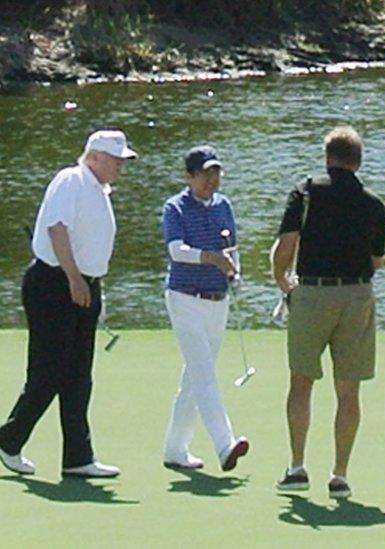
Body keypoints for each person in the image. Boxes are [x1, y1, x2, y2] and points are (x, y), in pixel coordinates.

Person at [0, 129, 137, 478]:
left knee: (78, 376)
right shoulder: (72, 179)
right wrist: (73, 278)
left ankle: (78, 457)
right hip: (54, 284)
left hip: (83, 286)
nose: (120, 167)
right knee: (49, 370)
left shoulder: (99, 190)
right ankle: (8, 439)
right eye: (116, 160)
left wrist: (90, 283)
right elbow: (57, 229)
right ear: (95, 156)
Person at [270, 126, 385, 499]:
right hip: (356, 296)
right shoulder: (373, 203)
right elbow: (377, 259)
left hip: (313, 293)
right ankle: (339, 475)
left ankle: (297, 466)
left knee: (301, 382)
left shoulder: (306, 192)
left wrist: (282, 281)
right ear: (358, 160)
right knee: (348, 390)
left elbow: (286, 245)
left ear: (327, 157)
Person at [161, 145, 249, 472]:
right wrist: (210, 257)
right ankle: (225, 444)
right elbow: (176, 251)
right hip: (184, 298)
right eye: (204, 174)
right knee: (204, 374)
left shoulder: (223, 205)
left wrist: (234, 271)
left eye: (216, 173)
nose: (212, 179)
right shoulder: (176, 208)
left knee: (195, 377)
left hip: (217, 300)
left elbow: (231, 248)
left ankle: (175, 448)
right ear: (189, 176)